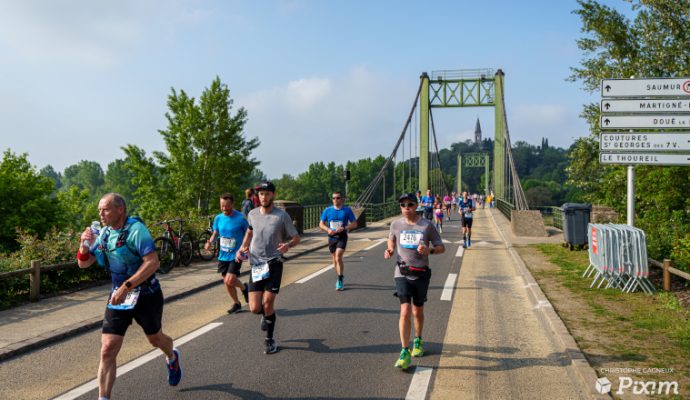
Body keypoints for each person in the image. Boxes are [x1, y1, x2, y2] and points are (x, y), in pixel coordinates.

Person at [77, 193, 181, 400]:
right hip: (119, 298)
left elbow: (153, 263)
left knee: (155, 339)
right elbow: (84, 263)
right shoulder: (105, 233)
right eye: (99, 210)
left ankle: (172, 355)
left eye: (105, 209)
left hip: (146, 295)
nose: (101, 214)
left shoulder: (136, 230)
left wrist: (127, 286)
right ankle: (103, 397)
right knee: (107, 349)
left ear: (120, 209)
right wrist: (84, 244)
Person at [237, 181, 300, 354]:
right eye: (261, 194)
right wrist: (242, 247)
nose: (263, 197)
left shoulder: (281, 216)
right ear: (257, 196)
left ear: (273, 195)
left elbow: (296, 237)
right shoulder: (252, 214)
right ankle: (266, 315)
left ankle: (270, 340)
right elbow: (250, 232)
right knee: (255, 308)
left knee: (268, 302)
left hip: (274, 263)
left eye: (267, 194)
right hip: (257, 264)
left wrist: (288, 245)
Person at [384, 193, 445, 370]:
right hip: (402, 272)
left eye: (410, 204)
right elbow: (391, 237)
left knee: (417, 311)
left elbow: (441, 247)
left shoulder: (427, 226)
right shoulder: (396, 224)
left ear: (416, 205)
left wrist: (429, 251)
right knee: (404, 311)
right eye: (403, 205)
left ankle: (418, 340)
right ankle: (404, 351)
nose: (406, 208)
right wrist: (389, 249)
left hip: (421, 273)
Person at [206, 193, 250, 314]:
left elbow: (249, 233)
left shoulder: (241, 218)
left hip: (237, 254)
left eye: (227, 206)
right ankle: (238, 301)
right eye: (222, 206)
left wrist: (246, 247)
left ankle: (244, 289)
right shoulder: (218, 218)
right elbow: (216, 233)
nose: (224, 209)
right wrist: (210, 242)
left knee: (229, 280)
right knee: (227, 281)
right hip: (223, 254)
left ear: (232, 204)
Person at [319, 191, 358, 291]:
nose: (336, 200)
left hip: (342, 236)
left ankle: (340, 279)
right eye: (334, 198)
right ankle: (340, 276)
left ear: (342, 199)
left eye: (338, 198)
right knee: (334, 260)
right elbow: (321, 224)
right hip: (331, 237)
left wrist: (345, 227)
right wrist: (328, 229)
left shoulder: (347, 210)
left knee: (338, 256)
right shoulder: (327, 210)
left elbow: (354, 224)